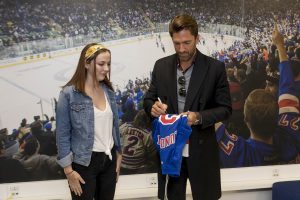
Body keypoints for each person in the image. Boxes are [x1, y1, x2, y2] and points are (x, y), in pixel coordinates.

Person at [143, 14, 232, 200]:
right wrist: (152, 107)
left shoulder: (215, 68)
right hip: (171, 150)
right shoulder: (161, 66)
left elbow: (225, 109)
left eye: (187, 42)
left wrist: (198, 117)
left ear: (197, 38)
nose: (182, 49)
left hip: (202, 151)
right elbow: (148, 99)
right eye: (177, 43)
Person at [56, 43, 122, 200]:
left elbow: (114, 127)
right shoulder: (68, 94)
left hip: (109, 161)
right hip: (84, 164)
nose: (106, 68)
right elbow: (62, 135)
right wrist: (68, 170)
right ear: (86, 63)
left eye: (108, 64)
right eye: (101, 64)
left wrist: (119, 155)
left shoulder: (108, 92)